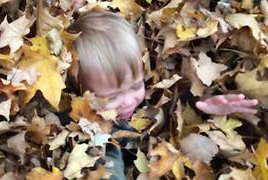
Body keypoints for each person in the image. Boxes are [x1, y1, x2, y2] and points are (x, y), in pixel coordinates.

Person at [67, 10, 258, 180]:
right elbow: (105, 158)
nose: (128, 101)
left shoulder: (141, 105)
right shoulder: (86, 129)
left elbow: (167, 107)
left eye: (135, 86)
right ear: (79, 95)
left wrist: (201, 105)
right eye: (111, 97)